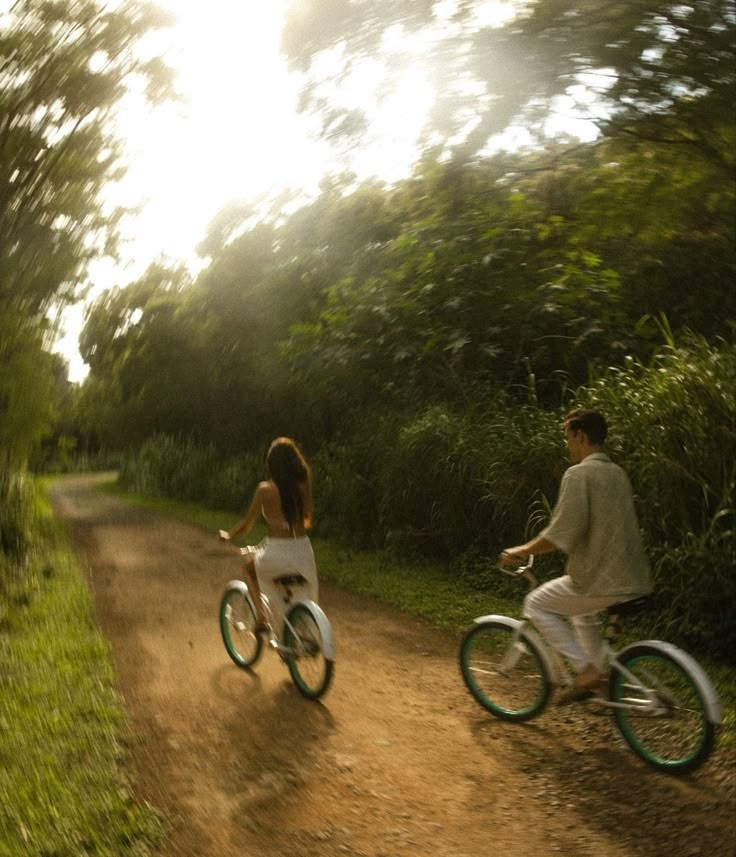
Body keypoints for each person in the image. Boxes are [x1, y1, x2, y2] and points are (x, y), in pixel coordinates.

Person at [499, 408, 652, 704]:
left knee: (536, 603)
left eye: (567, 437)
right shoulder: (617, 473)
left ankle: (585, 672)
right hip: (634, 576)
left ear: (580, 435)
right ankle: (596, 679)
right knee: (581, 614)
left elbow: (561, 534)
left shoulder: (579, 474)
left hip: (601, 579)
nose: (566, 445)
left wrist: (521, 551)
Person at [219, 437, 317, 634]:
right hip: (304, 553)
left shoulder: (264, 490)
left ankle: (262, 618)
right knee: (282, 574)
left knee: (248, 565)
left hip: (277, 555)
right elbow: (308, 519)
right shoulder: (303, 483)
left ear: (271, 465)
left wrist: (228, 536)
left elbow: (247, 525)